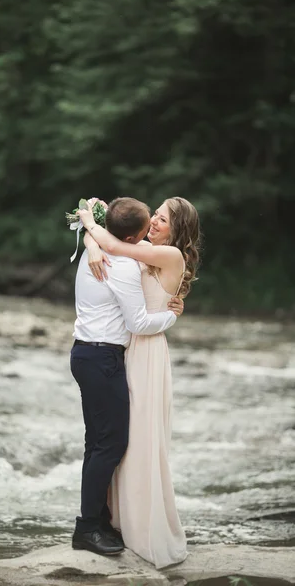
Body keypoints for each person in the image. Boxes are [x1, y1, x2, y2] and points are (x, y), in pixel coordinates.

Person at [78, 196, 201, 568]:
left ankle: (139, 527)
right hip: (124, 352)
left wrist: (88, 223)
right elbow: (116, 239)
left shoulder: (171, 257)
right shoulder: (144, 247)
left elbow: (115, 243)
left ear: (178, 230)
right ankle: (112, 521)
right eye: (155, 217)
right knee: (116, 442)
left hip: (146, 354)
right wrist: (90, 243)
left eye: (162, 220)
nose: (154, 224)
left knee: (138, 441)